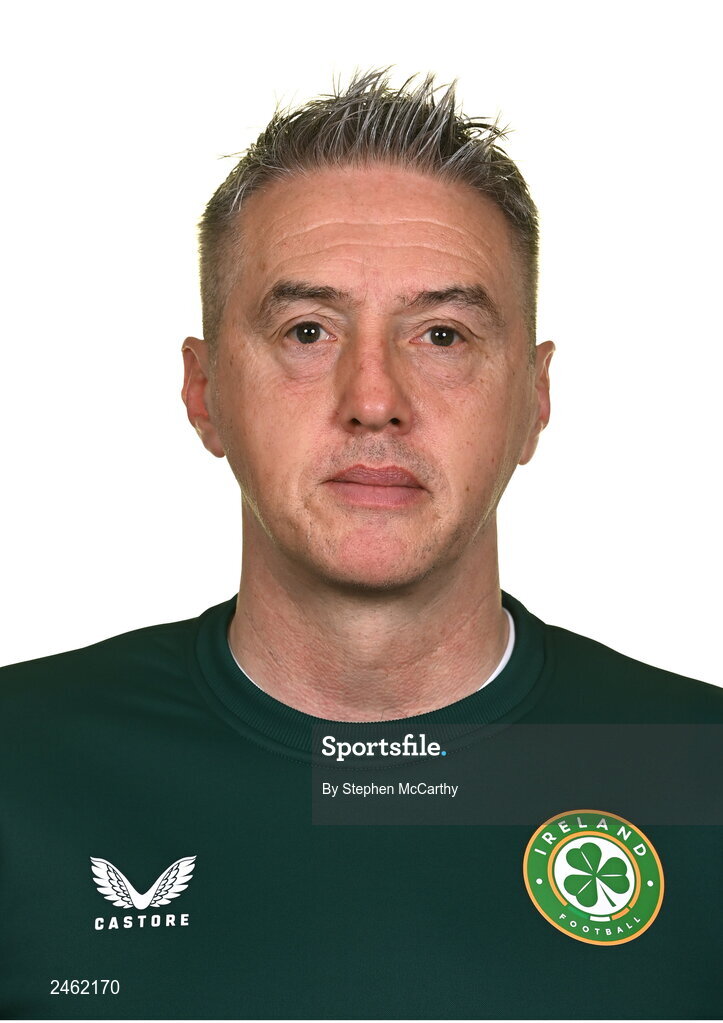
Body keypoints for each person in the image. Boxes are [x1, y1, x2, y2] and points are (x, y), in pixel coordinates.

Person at [1, 69, 721, 1021]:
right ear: (204, 389)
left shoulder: (697, 767)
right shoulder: (21, 760)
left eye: (441, 335)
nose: (374, 397)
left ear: (534, 400)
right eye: (307, 330)